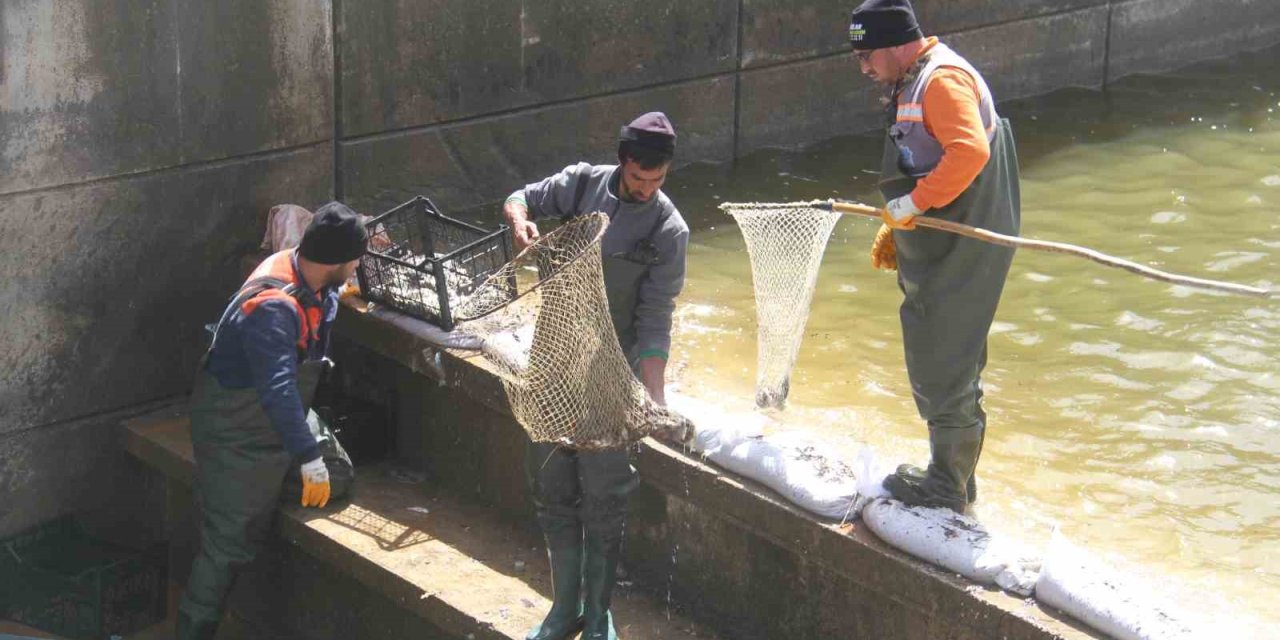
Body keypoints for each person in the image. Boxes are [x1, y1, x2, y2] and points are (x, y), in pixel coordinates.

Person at [502, 112, 689, 640]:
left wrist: (653, 396)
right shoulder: (583, 182)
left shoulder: (669, 230)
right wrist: (519, 222)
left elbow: (656, 319)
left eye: (657, 181)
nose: (646, 189)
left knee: (605, 500)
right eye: (637, 179)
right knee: (551, 487)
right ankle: (565, 608)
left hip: (612, 375)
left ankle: (599, 609)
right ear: (622, 162)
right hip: (554, 360)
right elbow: (520, 196)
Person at [850, 0, 1021, 513]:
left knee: (945, 350)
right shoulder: (914, 75)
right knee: (955, 352)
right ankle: (957, 477)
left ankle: (946, 486)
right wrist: (902, 228)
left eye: (868, 55)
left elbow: (970, 152)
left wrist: (915, 203)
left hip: (966, 235)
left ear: (898, 44)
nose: (864, 68)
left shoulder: (941, 80)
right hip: (945, 234)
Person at [177, 202, 368, 639]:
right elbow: (279, 388)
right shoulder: (274, 309)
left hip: (280, 416)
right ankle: (193, 629)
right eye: (354, 260)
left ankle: (266, 486)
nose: (358, 266)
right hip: (236, 428)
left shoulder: (309, 271)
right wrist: (305, 455)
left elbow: (326, 306)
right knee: (228, 546)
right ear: (335, 261)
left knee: (335, 476)